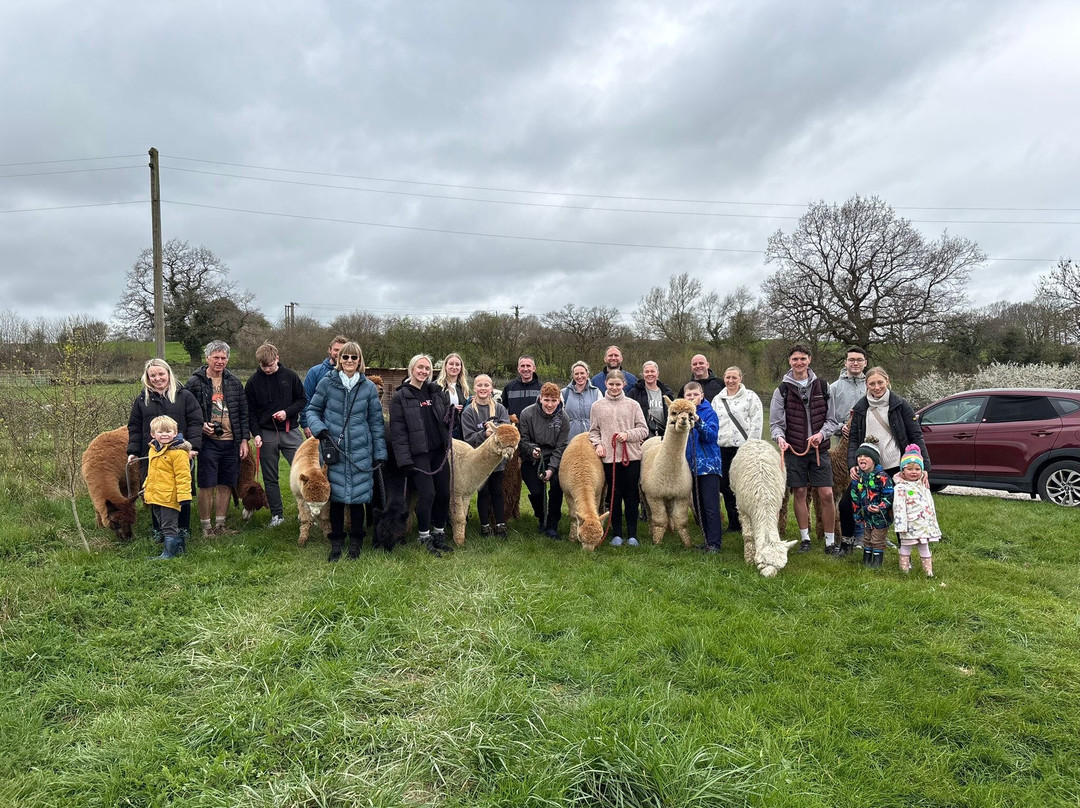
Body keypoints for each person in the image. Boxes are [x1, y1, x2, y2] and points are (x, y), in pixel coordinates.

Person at [306, 342, 387, 561]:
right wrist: (320, 429)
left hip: (361, 450)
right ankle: (337, 542)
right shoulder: (327, 383)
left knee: (359, 497)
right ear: (339, 359)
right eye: (345, 357)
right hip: (334, 449)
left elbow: (376, 422)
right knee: (338, 498)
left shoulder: (368, 387)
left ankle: (356, 541)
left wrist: (379, 452)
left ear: (359, 360)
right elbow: (312, 410)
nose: (349, 361)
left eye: (354, 357)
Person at [769, 344, 842, 556]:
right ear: (789, 362)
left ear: (809, 359)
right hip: (794, 450)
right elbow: (775, 424)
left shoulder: (823, 387)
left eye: (802, 358)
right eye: (795, 359)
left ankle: (830, 541)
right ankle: (805, 538)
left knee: (826, 493)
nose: (799, 362)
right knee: (799, 492)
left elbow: (832, 420)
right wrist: (780, 439)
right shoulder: (782, 390)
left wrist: (821, 435)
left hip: (819, 450)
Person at [126, 358, 202, 542]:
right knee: (155, 491)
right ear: (147, 377)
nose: (157, 378)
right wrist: (133, 451)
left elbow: (195, 422)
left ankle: (183, 528)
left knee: (181, 489)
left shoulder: (184, 396)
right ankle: (158, 529)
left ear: (168, 374)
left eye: (161, 374)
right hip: (153, 453)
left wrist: (193, 447)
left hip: (179, 453)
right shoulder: (142, 400)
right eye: (153, 375)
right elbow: (135, 427)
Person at [389, 354, 454, 557]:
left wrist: (453, 416)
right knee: (427, 494)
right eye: (420, 367)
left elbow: (445, 422)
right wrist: (404, 461)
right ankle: (424, 535)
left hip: (438, 451)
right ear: (411, 369)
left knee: (444, 493)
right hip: (419, 454)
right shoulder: (401, 397)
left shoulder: (436, 392)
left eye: (427, 368)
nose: (423, 371)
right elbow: (398, 432)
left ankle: (439, 533)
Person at [185, 340, 249, 536]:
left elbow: (243, 412)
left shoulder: (234, 382)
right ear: (207, 358)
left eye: (223, 358)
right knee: (206, 484)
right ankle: (206, 527)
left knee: (226, 483)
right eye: (216, 357)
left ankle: (220, 525)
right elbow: (186, 412)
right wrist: (200, 426)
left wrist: (244, 440)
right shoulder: (195, 383)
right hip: (207, 442)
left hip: (231, 441)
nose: (220, 361)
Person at [245, 342, 307, 528]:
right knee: (270, 477)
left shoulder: (290, 376)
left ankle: (305, 512)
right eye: (263, 366)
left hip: (290, 431)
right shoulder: (253, 382)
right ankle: (277, 515)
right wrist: (256, 434)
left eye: (270, 365)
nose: (267, 369)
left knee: (303, 474)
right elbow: (250, 412)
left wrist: (287, 412)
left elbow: (302, 400)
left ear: (277, 358)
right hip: (266, 434)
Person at [589, 370, 648, 547]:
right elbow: (594, 431)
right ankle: (616, 534)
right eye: (611, 384)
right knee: (614, 496)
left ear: (624, 385)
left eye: (618, 384)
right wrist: (598, 445)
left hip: (631, 457)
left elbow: (643, 430)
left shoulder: (633, 405)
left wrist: (628, 435)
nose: (614, 388)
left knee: (631, 496)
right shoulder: (597, 406)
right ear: (605, 384)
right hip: (610, 458)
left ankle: (632, 534)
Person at [846, 366, 930, 483]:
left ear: (887, 381)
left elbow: (916, 436)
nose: (877, 387)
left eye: (880, 382)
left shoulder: (901, 405)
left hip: (895, 466)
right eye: (872, 384)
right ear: (866, 385)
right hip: (869, 467)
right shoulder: (860, 408)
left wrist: (924, 466)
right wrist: (852, 464)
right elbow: (854, 439)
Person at [711, 366, 763, 534]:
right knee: (725, 485)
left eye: (734, 377)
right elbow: (713, 422)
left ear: (740, 378)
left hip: (742, 448)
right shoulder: (718, 399)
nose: (731, 381)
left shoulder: (750, 397)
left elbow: (756, 422)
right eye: (728, 377)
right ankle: (734, 522)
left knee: (744, 487)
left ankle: (750, 521)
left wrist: (751, 446)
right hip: (722, 448)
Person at [518, 382, 570, 539]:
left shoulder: (564, 418)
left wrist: (551, 469)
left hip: (554, 457)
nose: (550, 404)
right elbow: (523, 440)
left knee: (556, 485)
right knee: (536, 491)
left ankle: (552, 524)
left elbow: (561, 447)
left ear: (559, 400)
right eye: (546, 400)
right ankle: (542, 518)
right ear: (540, 398)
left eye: (554, 400)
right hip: (532, 458)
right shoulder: (527, 414)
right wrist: (532, 450)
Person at [461, 374, 511, 538]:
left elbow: (506, 431)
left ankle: (500, 525)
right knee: (483, 493)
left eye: (486, 385)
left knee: (497, 491)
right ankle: (485, 525)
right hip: (479, 462)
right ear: (474, 388)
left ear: (492, 388)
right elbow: (469, 438)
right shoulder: (469, 412)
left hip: (497, 461)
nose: (483, 388)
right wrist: (485, 433)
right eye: (479, 385)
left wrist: (496, 432)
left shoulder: (500, 409)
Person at [831, 347, 869, 552]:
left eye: (859, 360)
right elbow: (828, 416)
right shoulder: (834, 388)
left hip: (870, 444)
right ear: (845, 362)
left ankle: (869, 533)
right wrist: (840, 427)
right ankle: (847, 533)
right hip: (844, 444)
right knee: (848, 490)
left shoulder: (871, 384)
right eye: (851, 360)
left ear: (865, 362)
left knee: (870, 489)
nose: (855, 363)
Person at [683, 382, 724, 554]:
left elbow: (711, 436)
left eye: (695, 394)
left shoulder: (709, 413)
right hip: (692, 467)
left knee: (710, 505)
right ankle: (707, 539)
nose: (692, 397)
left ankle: (715, 543)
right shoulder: (683, 415)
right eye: (689, 395)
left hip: (708, 466)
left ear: (702, 395)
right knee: (699, 504)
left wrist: (698, 421)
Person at [143, 415, 192, 560]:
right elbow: (152, 473)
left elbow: (183, 477)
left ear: (175, 433)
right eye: (160, 432)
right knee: (162, 522)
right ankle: (180, 548)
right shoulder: (153, 450)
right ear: (153, 434)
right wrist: (146, 487)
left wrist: (184, 496)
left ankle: (169, 554)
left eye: (168, 431)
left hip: (169, 496)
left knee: (168, 524)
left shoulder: (178, 453)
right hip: (156, 495)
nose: (164, 435)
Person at [892, 444, 941, 577]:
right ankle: (904, 570)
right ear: (903, 471)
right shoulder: (900, 488)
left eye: (917, 469)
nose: (914, 472)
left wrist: (932, 522)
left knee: (924, 546)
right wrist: (901, 526)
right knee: (906, 546)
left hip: (923, 525)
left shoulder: (923, 485)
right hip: (909, 525)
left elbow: (929, 505)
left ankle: (928, 571)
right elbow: (898, 508)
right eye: (910, 469)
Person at [850, 438, 894, 568]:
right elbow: (855, 496)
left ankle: (876, 564)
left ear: (874, 460)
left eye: (866, 456)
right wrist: (857, 513)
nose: (862, 459)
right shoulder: (859, 477)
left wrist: (881, 507)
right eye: (860, 456)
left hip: (880, 516)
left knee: (877, 539)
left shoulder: (882, 477)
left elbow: (889, 495)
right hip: (866, 516)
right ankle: (866, 562)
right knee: (867, 538)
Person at [302, 335, 348, 437]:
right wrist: (306, 424)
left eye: (342, 350)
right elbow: (306, 399)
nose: (338, 353)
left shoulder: (351, 375)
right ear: (330, 350)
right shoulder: (315, 372)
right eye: (336, 350)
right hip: (320, 426)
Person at [628, 361, 675, 438]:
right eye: (647, 372)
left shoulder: (667, 392)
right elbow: (628, 415)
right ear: (643, 374)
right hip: (643, 436)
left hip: (664, 435)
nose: (650, 374)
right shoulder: (634, 392)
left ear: (657, 373)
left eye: (652, 371)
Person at [561, 361, 602, 440]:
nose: (579, 376)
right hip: (570, 438)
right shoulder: (564, 393)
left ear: (587, 374)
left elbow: (601, 417)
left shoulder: (596, 392)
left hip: (591, 438)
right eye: (576, 374)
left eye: (582, 373)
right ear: (573, 376)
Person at [436, 352, 470, 440]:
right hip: (442, 430)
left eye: (457, 364)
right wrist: (451, 410)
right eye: (451, 364)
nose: (454, 367)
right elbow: (435, 409)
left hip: (459, 430)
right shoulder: (436, 387)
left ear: (461, 367)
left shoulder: (464, 388)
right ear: (445, 366)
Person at [502, 355, 542, 419]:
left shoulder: (542, 388)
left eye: (528, 366)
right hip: (514, 425)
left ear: (534, 368)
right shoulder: (509, 388)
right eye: (522, 366)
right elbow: (502, 409)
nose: (525, 369)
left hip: (536, 425)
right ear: (518, 369)